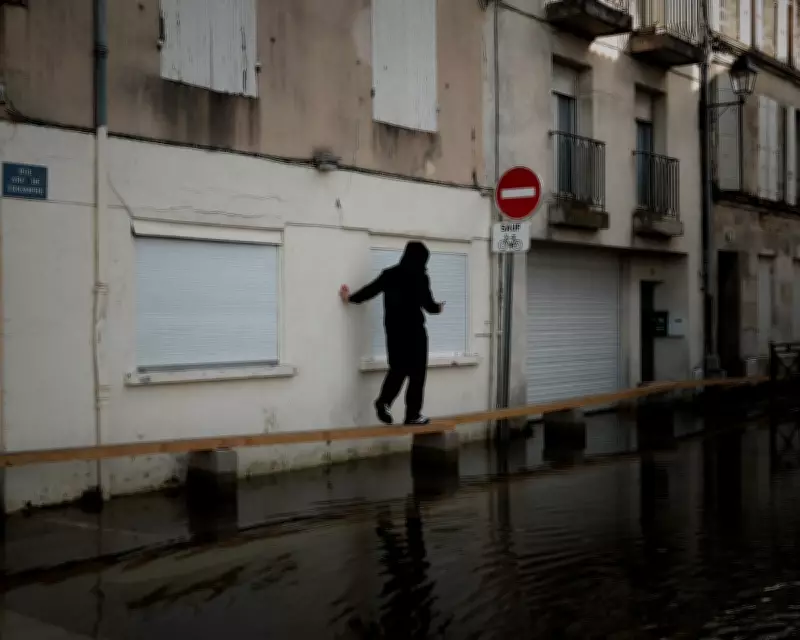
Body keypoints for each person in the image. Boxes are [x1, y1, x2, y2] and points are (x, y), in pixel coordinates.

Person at [339, 241, 445, 426]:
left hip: (394, 331)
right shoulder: (420, 277)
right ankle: (412, 415)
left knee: (398, 368)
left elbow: (370, 291)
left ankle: (384, 402)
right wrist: (438, 308)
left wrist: (349, 298)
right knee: (417, 374)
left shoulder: (389, 274)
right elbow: (428, 305)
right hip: (415, 332)